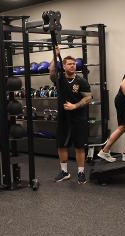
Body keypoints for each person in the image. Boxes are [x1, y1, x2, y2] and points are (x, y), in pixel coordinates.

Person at [49, 48, 92, 184]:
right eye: (69, 64)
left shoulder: (81, 81)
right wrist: (55, 56)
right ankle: (64, 172)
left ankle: (80, 173)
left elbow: (88, 98)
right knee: (61, 145)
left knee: (79, 146)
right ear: (63, 66)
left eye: (74, 64)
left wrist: (75, 106)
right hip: (63, 117)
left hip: (78, 117)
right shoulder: (59, 79)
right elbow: (51, 72)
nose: (72, 66)